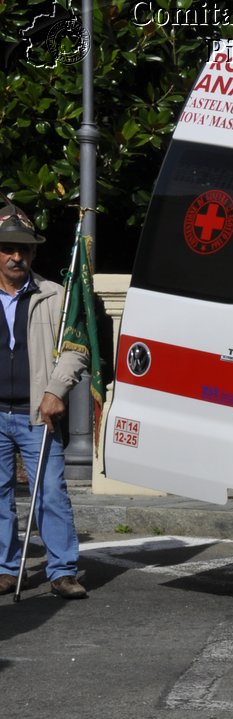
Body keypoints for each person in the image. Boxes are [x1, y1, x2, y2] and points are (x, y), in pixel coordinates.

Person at [0, 201, 88, 601]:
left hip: (39, 412)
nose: (16, 256)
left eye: (24, 250)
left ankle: (62, 571)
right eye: (8, 248)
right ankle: (3, 569)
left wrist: (56, 389)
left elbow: (76, 348)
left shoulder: (55, 296)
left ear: (34, 254)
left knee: (50, 492)